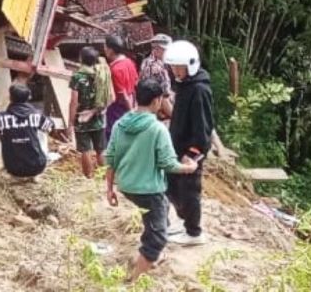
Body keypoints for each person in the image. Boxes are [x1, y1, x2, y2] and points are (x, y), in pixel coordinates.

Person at [104, 78, 198, 281]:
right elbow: (169, 164)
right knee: (158, 235)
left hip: (127, 185)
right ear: (157, 101)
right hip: (148, 189)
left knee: (161, 209)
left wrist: (110, 188)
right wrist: (190, 167)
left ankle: (151, 257)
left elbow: (110, 157)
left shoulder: (121, 124)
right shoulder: (157, 129)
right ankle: (135, 279)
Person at [164, 40, 214, 246]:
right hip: (177, 147)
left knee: (189, 190)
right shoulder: (185, 86)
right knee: (173, 188)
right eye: (173, 66)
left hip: (189, 151)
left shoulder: (199, 90)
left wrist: (193, 153)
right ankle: (186, 224)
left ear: (191, 65)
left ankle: (194, 232)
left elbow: (203, 127)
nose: (175, 71)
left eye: (179, 67)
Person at [0, 83, 55, 178]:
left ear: (10, 98)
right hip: (37, 167)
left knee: (0, 131)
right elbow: (50, 128)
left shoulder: (0, 117)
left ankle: (6, 161)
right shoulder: (36, 115)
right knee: (42, 128)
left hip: (12, 168)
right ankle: (42, 156)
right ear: (29, 97)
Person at [68, 47, 108, 178]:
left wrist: (70, 121)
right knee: (100, 149)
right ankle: (104, 177)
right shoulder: (101, 74)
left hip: (82, 118)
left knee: (85, 150)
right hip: (98, 117)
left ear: (81, 59)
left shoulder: (77, 77)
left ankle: (89, 177)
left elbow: (74, 101)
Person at [105, 34, 138, 140]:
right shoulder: (129, 62)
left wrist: (131, 112)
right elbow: (135, 83)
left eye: (105, 47)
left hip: (118, 108)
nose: (104, 50)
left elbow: (122, 94)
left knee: (114, 137)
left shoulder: (115, 70)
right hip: (131, 102)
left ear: (110, 50)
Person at [140, 34, 174, 118]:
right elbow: (163, 97)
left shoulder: (147, 61)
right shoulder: (157, 68)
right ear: (157, 49)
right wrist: (176, 118)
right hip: (158, 111)